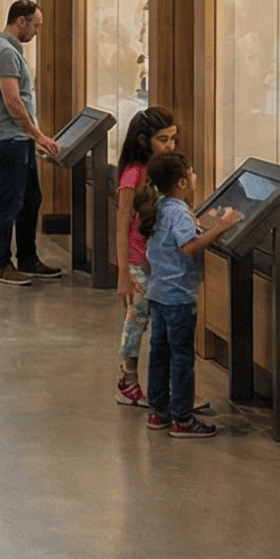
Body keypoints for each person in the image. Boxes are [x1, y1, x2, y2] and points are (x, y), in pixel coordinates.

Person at [140, 149, 239, 437]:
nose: (195, 176)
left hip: (158, 294)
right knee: (182, 358)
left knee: (159, 353)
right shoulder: (178, 211)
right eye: (192, 172)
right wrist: (222, 226)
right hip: (179, 298)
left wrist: (206, 223)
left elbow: (186, 232)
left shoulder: (160, 206)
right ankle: (182, 420)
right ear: (182, 182)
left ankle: (158, 412)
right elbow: (189, 246)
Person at [0, 0, 60, 283]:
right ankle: (0, 264)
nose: (37, 31)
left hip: (18, 138)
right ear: (21, 21)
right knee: (10, 202)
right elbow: (12, 100)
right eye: (35, 25)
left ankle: (28, 258)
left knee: (30, 199)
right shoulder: (3, 51)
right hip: (8, 139)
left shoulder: (9, 50)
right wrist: (37, 135)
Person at [111, 107, 176, 406]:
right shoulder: (133, 176)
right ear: (144, 140)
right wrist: (123, 273)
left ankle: (164, 385)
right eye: (163, 140)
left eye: (173, 139)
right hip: (138, 261)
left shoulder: (165, 170)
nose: (170, 146)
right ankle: (128, 379)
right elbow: (122, 224)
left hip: (161, 261)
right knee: (136, 321)